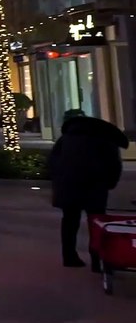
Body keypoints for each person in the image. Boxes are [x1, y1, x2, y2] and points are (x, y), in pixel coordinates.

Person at [48, 111, 127, 269]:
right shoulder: (104, 139)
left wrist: (58, 180)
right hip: (95, 186)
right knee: (96, 222)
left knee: (70, 221)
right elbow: (114, 164)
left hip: (68, 185)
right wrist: (110, 183)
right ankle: (97, 260)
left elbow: (52, 161)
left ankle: (69, 256)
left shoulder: (65, 139)